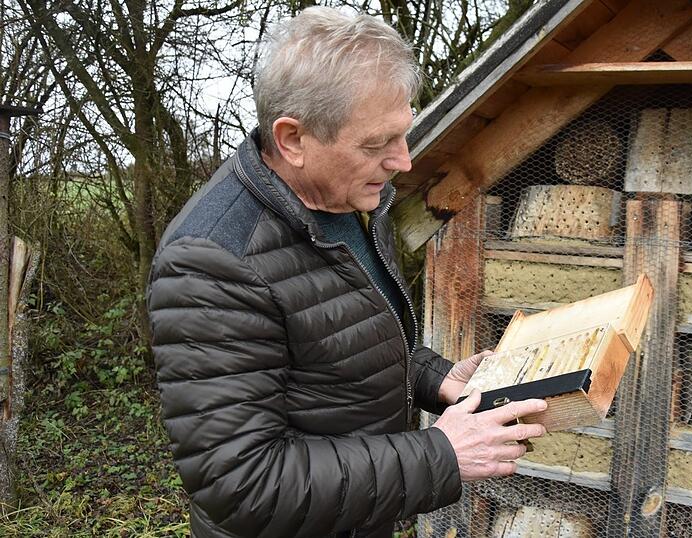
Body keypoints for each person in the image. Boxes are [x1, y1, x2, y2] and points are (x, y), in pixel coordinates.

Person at [146, 7, 547, 538]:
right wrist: (439, 455)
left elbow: (336, 349)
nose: (403, 162)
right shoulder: (211, 261)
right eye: (376, 144)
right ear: (293, 139)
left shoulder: (352, 201)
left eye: (402, 135)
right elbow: (241, 484)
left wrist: (434, 378)